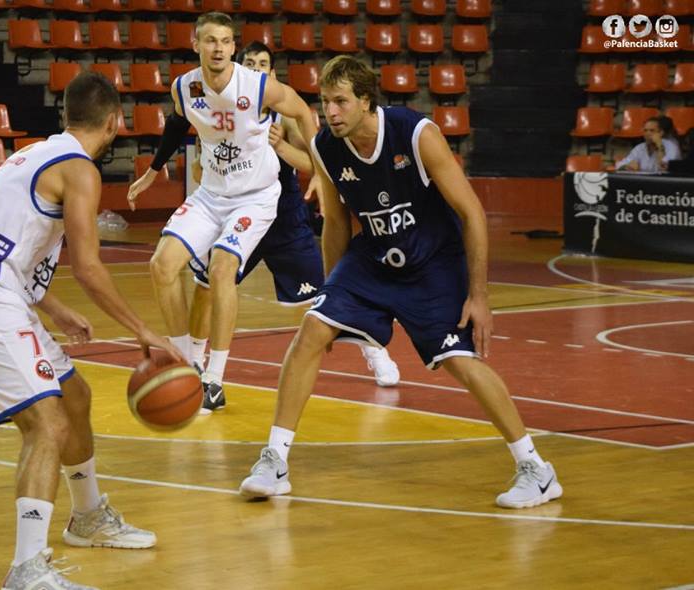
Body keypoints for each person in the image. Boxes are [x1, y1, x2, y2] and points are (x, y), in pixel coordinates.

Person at [238, 56, 563, 510]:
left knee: (460, 361)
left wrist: (480, 295)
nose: (330, 112)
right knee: (312, 329)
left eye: (340, 102)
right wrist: (331, 296)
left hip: (433, 264)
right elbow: (335, 223)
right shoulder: (326, 146)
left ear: (366, 101)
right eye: (324, 101)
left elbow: (472, 213)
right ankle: (274, 461)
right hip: (372, 258)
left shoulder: (416, 134)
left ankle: (536, 469)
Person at [0, 71, 177, 590]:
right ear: (116, 121)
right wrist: (144, 330)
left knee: (74, 397)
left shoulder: (34, 152)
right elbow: (90, 269)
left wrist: (50, 306)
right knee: (47, 426)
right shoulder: (80, 171)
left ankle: (88, 516)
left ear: (67, 115)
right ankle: (26, 571)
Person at [186, 42, 400, 410]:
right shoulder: (224, 108)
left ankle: (374, 351)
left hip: (283, 220)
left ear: (271, 72)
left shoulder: (283, 114)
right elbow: (200, 163)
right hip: (238, 215)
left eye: (263, 64)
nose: (255, 69)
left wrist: (285, 150)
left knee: (331, 291)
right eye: (249, 63)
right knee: (206, 283)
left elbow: (313, 159)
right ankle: (194, 363)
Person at [127, 12, 318, 413]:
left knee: (220, 269)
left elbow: (302, 110)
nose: (218, 48)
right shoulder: (184, 86)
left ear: (234, 47)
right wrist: (153, 170)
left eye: (226, 41)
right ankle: (187, 363)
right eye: (210, 40)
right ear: (196, 45)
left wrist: (321, 167)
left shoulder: (259, 87)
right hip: (211, 194)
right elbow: (178, 124)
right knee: (162, 265)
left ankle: (214, 377)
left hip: (256, 197)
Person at [615, 115, 680, 173]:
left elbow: (663, 168)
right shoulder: (640, 147)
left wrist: (659, 146)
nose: (648, 134)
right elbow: (619, 165)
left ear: (661, 132)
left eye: (652, 130)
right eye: (645, 130)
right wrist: (626, 166)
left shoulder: (671, 147)